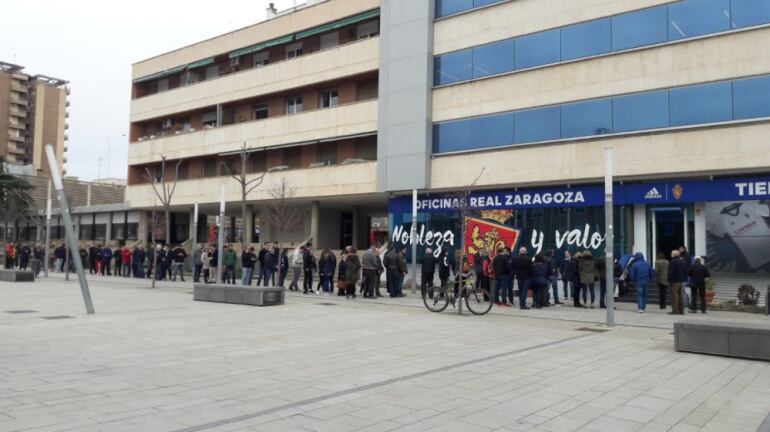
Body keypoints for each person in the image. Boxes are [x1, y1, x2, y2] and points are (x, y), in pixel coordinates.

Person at [668, 250, 687, 315]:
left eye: (671, 254)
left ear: (674, 255)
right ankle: (681, 310)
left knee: (674, 296)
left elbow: (671, 272)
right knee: (680, 296)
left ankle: (675, 310)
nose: (671, 255)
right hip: (681, 280)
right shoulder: (682, 262)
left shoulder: (672, 262)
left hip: (674, 281)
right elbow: (685, 272)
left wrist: (670, 280)